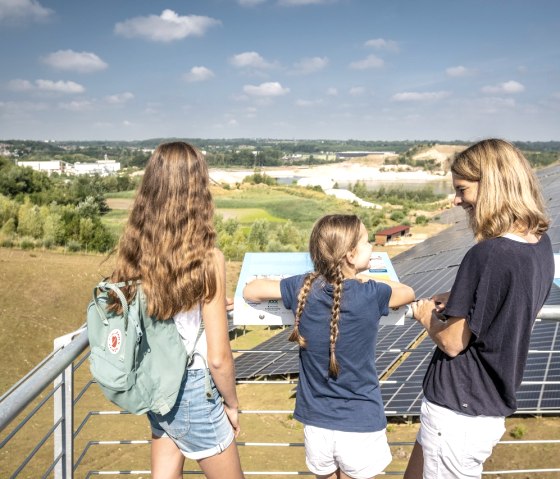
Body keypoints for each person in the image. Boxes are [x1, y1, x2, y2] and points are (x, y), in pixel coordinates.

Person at [404, 138, 554, 479]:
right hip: (484, 404)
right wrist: (461, 295)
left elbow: (453, 342)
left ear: (492, 185)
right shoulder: (539, 243)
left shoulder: (487, 254)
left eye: (462, 189)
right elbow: (508, 301)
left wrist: (425, 313)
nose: (456, 200)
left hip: (458, 408)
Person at [243, 214, 415, 479]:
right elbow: (407, 292)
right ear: (349, 255)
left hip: (317, 425)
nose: (372, 247)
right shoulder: (372, 293)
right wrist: (365, 278)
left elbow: (252, 291)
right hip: (360, 423)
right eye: (367, 242)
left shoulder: (303, 286)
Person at [109, 142, 244, 479]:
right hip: (193, 389)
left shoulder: (137, 250)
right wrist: (232, 403)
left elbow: (161, 308)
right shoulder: (208, 259)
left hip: (156, 382)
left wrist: (206, 309)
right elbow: (218, 358)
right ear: (198, 191)